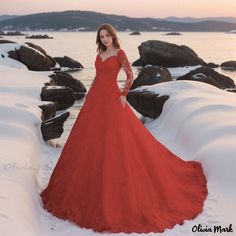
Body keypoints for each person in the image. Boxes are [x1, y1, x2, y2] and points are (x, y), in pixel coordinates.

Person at [40, 23, 208, 233]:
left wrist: (123, 95)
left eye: (107, 35)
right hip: (95, 100)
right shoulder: (100, 53)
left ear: (112, 36)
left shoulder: (120, 53)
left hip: (112, 99)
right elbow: (96, 78)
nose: (104, 39)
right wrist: (88, 96)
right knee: (89, 140)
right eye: (101, 36)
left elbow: (129, 75)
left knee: (116, 139)